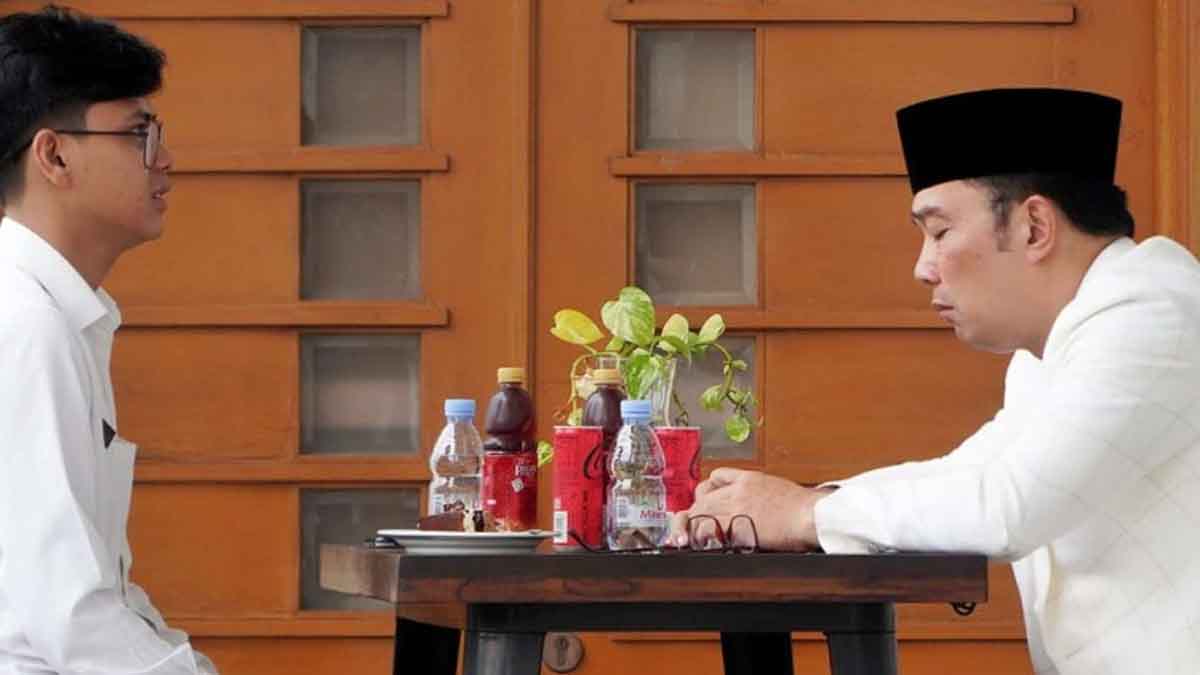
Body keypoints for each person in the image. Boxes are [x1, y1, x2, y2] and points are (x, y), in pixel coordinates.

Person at [673, 88, 1200, 674]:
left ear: (1034, 227)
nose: (923, 268)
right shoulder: (1053, 348)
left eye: (941, 232)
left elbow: (1006, 506)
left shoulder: (1153, 310)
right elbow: (967, 475)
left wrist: (803, 514)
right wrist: (789, 505)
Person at [0, 6, 218, 674]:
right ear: (55, 155)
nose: (164, 159)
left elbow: (100, 588)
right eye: (138, 134)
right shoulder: (26, 322)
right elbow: (67, 613)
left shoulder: (61, 314)